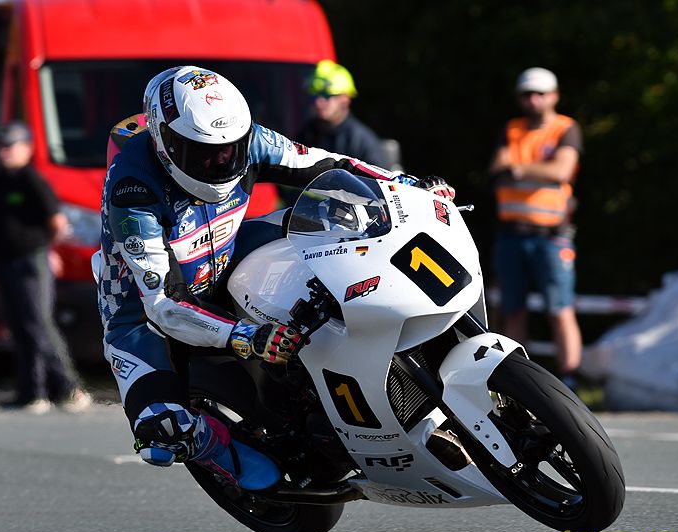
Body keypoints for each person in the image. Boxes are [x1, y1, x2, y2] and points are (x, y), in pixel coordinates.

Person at [97, 65, 455, 491]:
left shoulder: (249, 140)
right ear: (164, 143)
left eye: (230, 149)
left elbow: (325, 163)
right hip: (144, 315)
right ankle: (214, 447)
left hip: (228, 255)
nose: (222, 161)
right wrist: (245, 335)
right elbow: (164, 304)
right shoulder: (132, 190)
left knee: (341, 220)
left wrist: (405, 185)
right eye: (203, 153)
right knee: (161, 432)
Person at [489, 67, 584, 389]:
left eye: (540, 94)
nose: (533, 100)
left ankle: (570, 378)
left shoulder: (565, 128)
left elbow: (562, 170)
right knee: (512, 310)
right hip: (511, 234)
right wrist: (536, 170)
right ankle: (517, 381)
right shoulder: (512, 129)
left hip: (551, 236)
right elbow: (496, 168)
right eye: (527, 94)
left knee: (560, 309)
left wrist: (517, 168)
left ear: (554, 96)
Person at [0, 122, 91, 413]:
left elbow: (57, 222)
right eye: (2, 147)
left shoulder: (32, 180)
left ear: (27, 148)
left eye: (10, 146)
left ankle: (71, 389)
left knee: (38, 323)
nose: (4, 152)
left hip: (30, 260)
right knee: (19, 326)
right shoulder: (0, 181)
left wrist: (45, 250)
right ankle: (32, 392)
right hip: (6, 261)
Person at [297, 60, 389, 168]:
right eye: (314, 95)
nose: (319, 102)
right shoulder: (306, 135)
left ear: (345, 99)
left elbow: (378, 177)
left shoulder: (362, 142)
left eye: (327, 95)